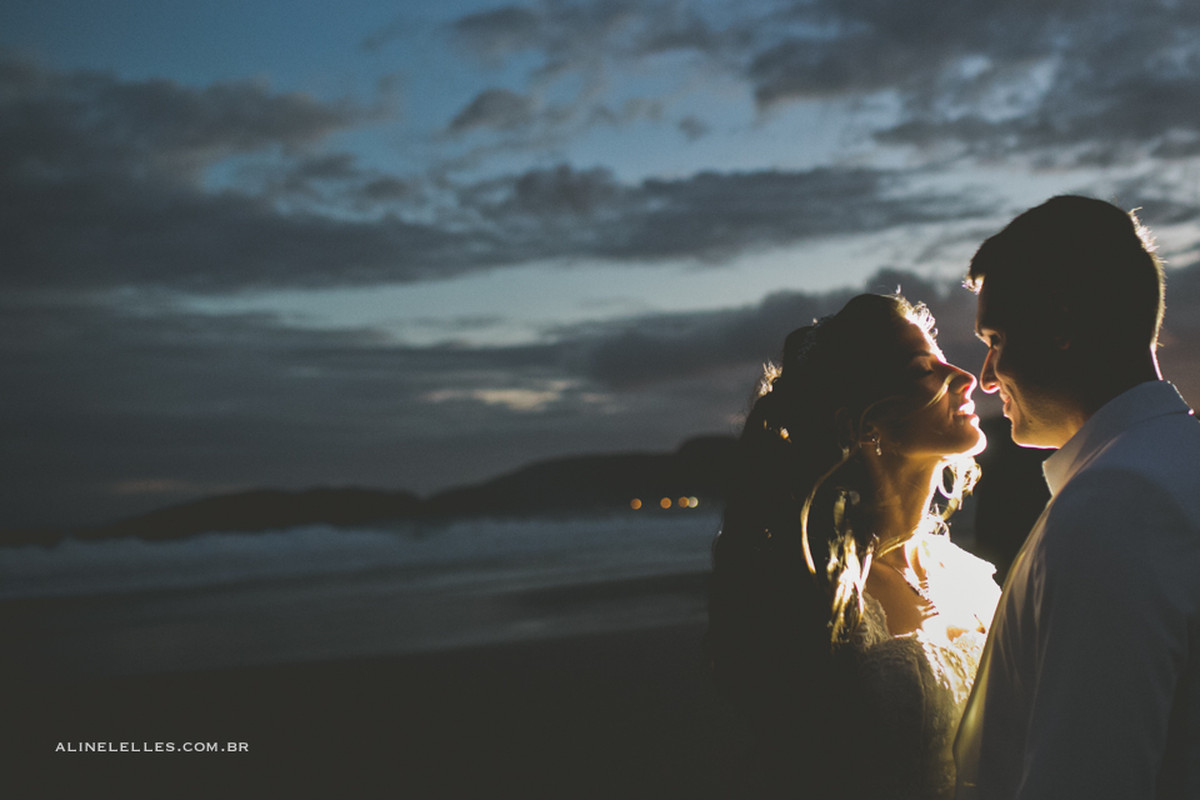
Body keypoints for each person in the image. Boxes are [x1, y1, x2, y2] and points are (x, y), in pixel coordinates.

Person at [954, 196, 1200, 799]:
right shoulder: (1167, 466)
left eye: (996, 338)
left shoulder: (1118, 502)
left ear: (1061, 326)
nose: (986, 376)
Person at [708, 293, 1001, 799]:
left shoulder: (971, 577)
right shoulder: (810, 588)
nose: (964, 376)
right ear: (865, 425)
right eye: (923, 369)